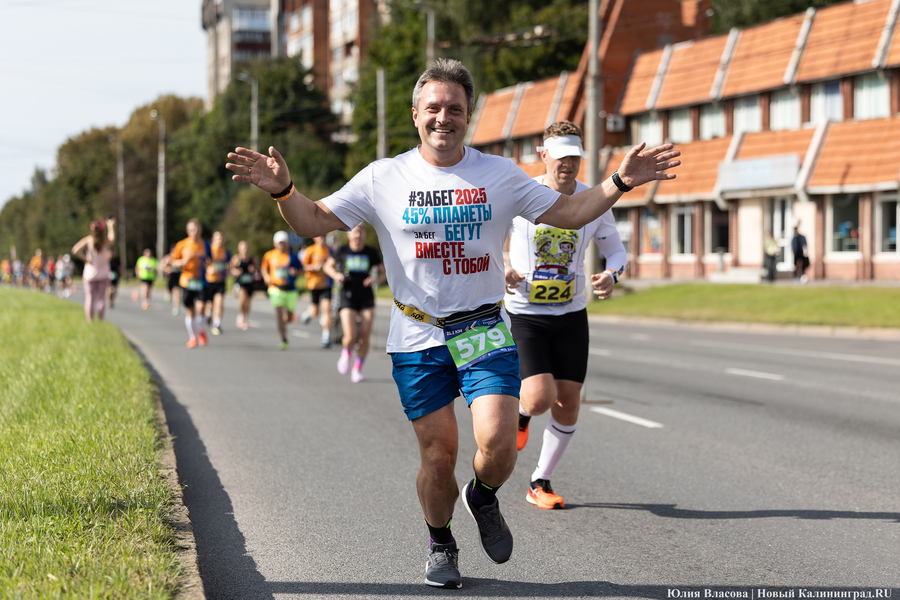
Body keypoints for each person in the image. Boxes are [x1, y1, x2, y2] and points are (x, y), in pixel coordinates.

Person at [225, 58, 679, 589]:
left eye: (455, 109)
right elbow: (312, 221)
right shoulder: (383, 177)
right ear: (415, 114)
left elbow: (572, 212)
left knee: (500, 443)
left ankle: (482, 497)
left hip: (482, 327)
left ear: (468, 116)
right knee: (438, 455)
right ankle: (440, 542)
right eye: (434, 108)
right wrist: (284, 191)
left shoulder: (499, 175)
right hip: (417, 333)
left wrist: (621, 181)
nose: (444, 117)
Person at [504, 121, 628, 511]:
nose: (567, 165)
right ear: (544, 156)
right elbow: (487, 241)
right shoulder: (521, 194)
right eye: (560, 158)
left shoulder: (594, 200)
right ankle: (522, 414)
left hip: (571, 313)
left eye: (574, 157)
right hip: (526, 314)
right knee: (541, 397)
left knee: (569, 402)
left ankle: (539, 481)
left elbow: (616, 251)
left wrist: (611, 274)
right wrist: (502, 269)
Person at [323, 223, 386, 383]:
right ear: (349, 234)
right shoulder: (342, 250)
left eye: (360, 232)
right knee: (350, 336)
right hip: (347, 295)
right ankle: (347, 352)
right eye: (355, 232)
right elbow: (327, 267)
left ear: (364, 234)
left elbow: (384, 272)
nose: (357, 235)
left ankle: (357, 368)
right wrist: (336, 275)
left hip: (366, 296)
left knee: (365, 336)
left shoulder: (371, 252)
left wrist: (376, 279)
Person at [261, 231, 303, 350]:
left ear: (287, 243)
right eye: (279, 243)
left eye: (283, 243)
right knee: (279, 314)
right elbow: (264, 268)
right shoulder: (269, 255)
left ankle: (285, 322)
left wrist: (296, 272)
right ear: (275, 243)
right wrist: (266, 277)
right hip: (275, 289)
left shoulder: (292, 256)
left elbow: (302, 270)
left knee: (288, 318)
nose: (281, 245)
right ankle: (284, 339)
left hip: (291, 290)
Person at [171, 219, 210, 349]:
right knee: (191, 310)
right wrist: (181, 262)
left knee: (201, 307)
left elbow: (210, 260)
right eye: (192, 229)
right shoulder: (182, 244)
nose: (195, 232)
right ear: (188, 231)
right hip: (187, 281)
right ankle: (193, 337)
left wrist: (208, 263)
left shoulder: (205, 245)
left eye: (197, 229)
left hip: (201, 280)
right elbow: (173, 262)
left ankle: (202, 330)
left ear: (201, 231)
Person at [71, 217, 116, 323]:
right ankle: (100, 320)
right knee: (101, 299)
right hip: (103, 274)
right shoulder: (104, 241)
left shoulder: (88, 240)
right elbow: (112, 239)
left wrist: (86, 260)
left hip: (90, 274)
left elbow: (75, 250)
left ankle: (90, 321)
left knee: (90, 298)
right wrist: (110, 226)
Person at [301, 235, 333, 348]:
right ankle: (308, 313)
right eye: (319, 236)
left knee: (327, 310)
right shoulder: (310, 250)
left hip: (327, 284)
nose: (322, 238)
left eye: (324, 236)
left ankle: (326, 337)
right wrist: (314, 267)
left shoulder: (330, 250)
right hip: (314, 284)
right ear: (315, 238)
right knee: (315, 312)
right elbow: (303, 266)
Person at [204, 231, 231, 335]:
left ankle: (217, 324)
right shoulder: (208, 250)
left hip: (220, 281)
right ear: (213, 239)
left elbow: (228, 265)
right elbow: (202, 262)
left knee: (219, 301)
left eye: (221, 238)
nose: (219, 240)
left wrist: (227, 269)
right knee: (209, 304)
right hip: (209, 280)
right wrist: (209, 269)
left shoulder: (226, 252)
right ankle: (208, 314)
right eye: (217, 238)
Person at [231, 240, 258, 331]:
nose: (244, 250)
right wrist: (236, 271)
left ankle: (245, 317)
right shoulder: (236, 259)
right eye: (243, 248)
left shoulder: (252, 259)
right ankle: (240, 315)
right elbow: (231, 269)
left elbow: (258, 269)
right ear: (239, 249)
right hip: (240, 282)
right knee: (242, 296)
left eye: (246, 248)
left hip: (249, 282)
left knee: (248, 301)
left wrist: (254, 269)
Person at [160, 244, 182, 315]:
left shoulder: (180, 257)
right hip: (170, 277)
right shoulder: (168, 257)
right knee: (170, 290)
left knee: (177, 292)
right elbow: (162, 266)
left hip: (177, 276)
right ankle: (168, 293)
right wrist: (167, 269)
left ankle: (176, 308)